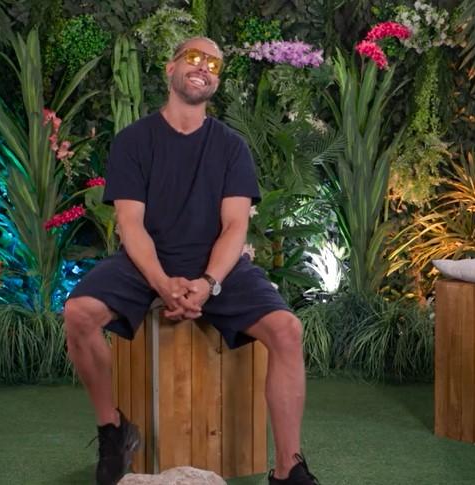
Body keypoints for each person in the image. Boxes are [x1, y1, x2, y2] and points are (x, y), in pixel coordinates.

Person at [64, 36, 319, 485]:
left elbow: (235, 227)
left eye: (214, 65)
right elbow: (131, 225)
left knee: (287, 330)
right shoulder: (133, 141)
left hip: (217, 265)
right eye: (195, 58)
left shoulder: (232, 147)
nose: (204, 68)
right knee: (78, 313)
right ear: (171, 67)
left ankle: (288, 469)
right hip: (145, 262)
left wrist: (208, 282)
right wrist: (162, 282)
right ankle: (113, 430)